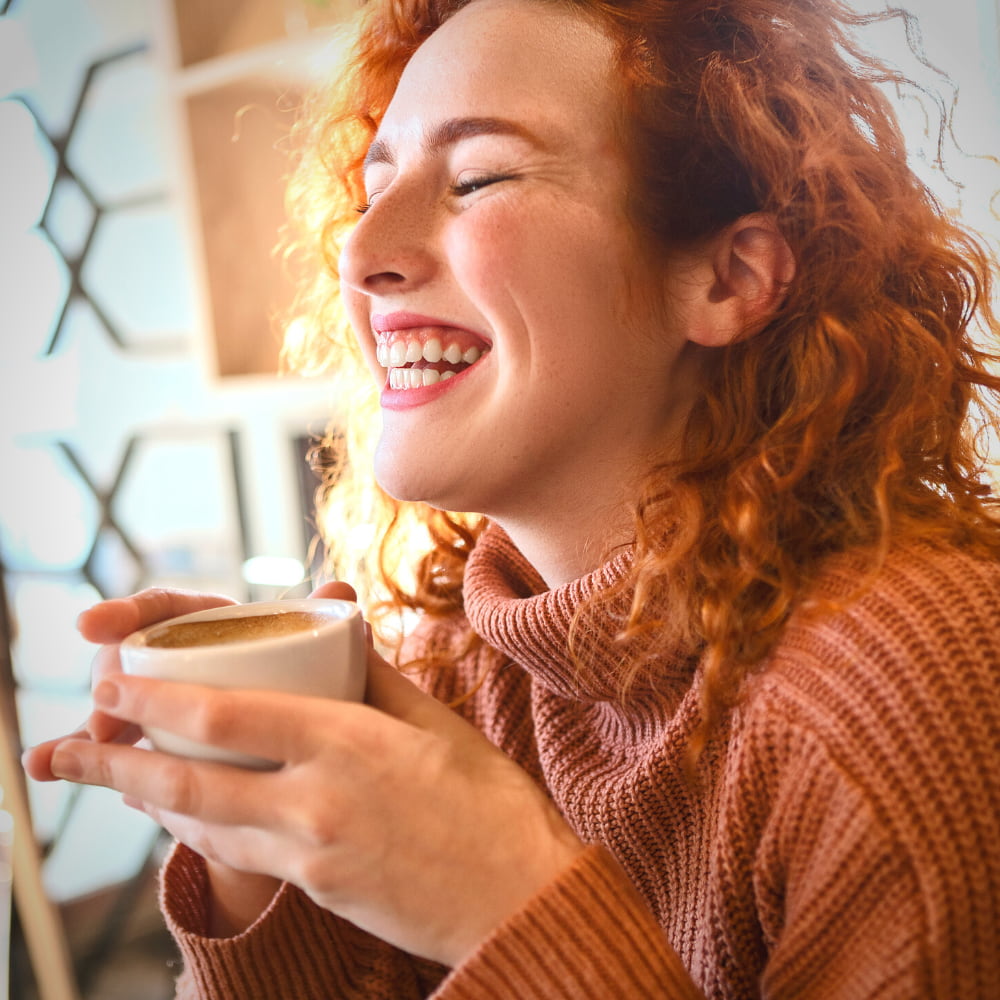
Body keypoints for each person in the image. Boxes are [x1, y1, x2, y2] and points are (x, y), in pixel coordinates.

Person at [23, 0, 1000, 996]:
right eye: (375, 188)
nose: (360, 257)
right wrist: (258, 847)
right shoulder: (457, 653)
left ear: (726, 277)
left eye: (478, 177)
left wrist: (514, 906)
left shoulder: (908, 684)